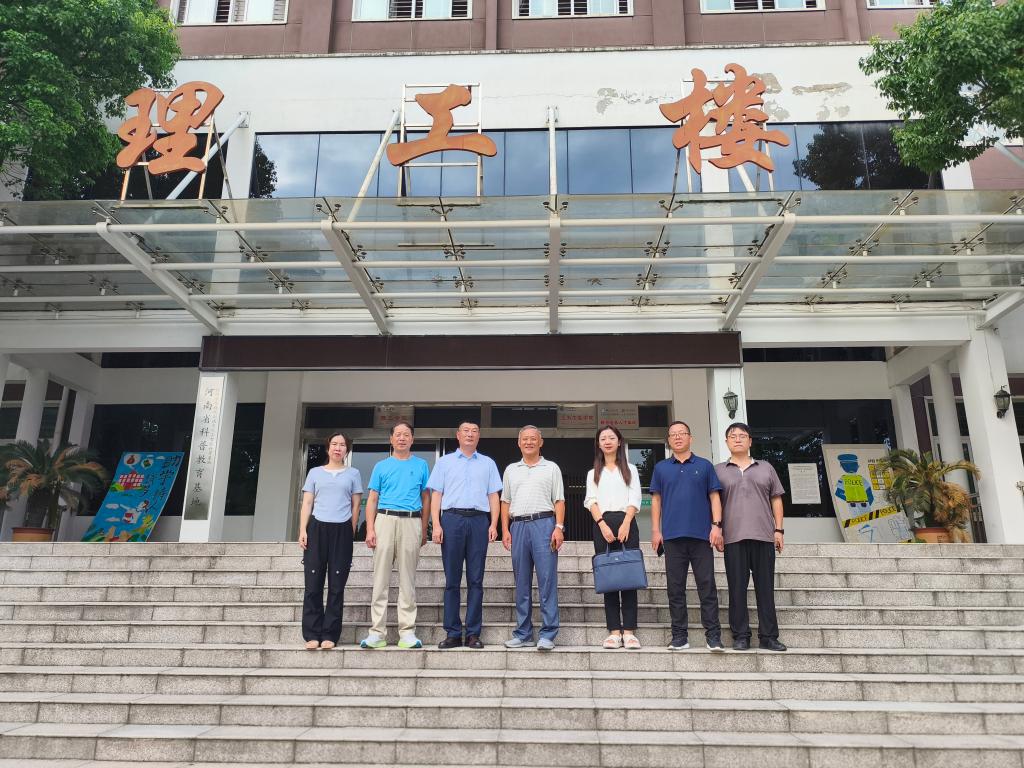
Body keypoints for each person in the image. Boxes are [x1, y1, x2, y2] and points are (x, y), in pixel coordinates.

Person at [650, 420, 725, 652]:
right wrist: (656, 530)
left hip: (702, 536)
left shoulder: (704, 466)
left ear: (690, 438)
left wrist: (717, 526)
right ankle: (679, 636)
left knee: (707, 586)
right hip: (672, 537)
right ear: (668, 440)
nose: (678, 437)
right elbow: (656, 500)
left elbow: (714, 497)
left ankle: (713, 636)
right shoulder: (661, 468)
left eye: (682, 433)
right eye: (673, 434)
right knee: (675, 589)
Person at [428, 421, 501, 649]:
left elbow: (493, 496)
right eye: (466, 431)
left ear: (479, 437)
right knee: (452, 579)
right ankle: (452, 633)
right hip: (452, 520)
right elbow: (436, 495)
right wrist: (436, 525)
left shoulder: (488, 463)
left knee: (476, 580)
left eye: (474, 431)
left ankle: (473, 634)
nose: (470, 434)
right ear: (458, 435)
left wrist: (494, 524)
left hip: (479, 521)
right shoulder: (444, 462)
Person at [715, 422, 787, 652]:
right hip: (733, 537)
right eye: (733, 436)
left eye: (742, 436)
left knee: (765, 588)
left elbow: (776, 498)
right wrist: (716, 529)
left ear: (750, 441)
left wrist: (779, 530)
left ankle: (769, 636)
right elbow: (713, 503)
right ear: (726, 441)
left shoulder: (766, 468)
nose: (737, 439)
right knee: (737, 589)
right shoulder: (718, 470)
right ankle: (740, 636)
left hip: (764, 536)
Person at [360, 421, 431, 650]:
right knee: (380, 579)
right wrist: (370, 529)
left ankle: (407, 633)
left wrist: (424, 527)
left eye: (406, 435)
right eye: (398, 434)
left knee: (407, 581)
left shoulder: (421, 465)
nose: (402, 438)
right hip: (385, 519)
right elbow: (372, 499)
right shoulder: (381, 466)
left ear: (412, 439)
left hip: (411, 521)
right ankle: (377, 633)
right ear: (391, 439)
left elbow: (426, 498)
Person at [501, 425, 566, 651]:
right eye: (525, 439)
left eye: (533, 439)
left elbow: (559, 500)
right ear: (519, 443)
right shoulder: (511, 470)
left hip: (544, 524)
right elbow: (505, 501)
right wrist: (505, 529)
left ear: (541, 442)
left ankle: (548, 633)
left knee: (547, 580)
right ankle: (523, 633)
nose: (529, 442)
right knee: (521, 582)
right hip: (518, 525)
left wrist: (559, 527)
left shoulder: (551, 468)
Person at [298, 432, 362, 650]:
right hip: (317, 528)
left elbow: (356, 505)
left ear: (346, 450)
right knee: (313, 583)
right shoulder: (315, 473)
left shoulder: (353, 473)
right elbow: (307, 503)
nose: (338, 448)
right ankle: (312, 634)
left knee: (336, 585)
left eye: (342, 445)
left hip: (342, 529)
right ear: (328, 448)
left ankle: (330, 634)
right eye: (334, 444)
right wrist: (303, 530)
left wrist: (351, 530)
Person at [585, 425, 643, 650]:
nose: (607, 441)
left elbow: (635, 497)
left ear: (619, 442)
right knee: (608, 577)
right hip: (602, 524)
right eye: (603, 438)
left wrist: (626, 522)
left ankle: (629, 632)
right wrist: (602, 525)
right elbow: (591, 501)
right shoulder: (593, 472)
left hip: (627, 521)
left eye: (611, 438)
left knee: (628, 576)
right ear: (598, 444)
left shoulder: (630, 469)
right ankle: (614, 632)